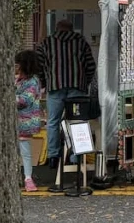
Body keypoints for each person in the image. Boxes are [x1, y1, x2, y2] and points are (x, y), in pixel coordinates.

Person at [37, 19, 96, 166]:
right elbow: (90, 65)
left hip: (55, 87)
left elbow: (39, 66)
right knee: (77, 121)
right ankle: (76, 157)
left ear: (57, 28)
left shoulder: (46, 43)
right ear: (72, 29)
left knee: (52, 122)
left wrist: (45, 82)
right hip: (77, 87)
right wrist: (84, 82)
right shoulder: (81, 42)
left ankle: (53, 157)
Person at [14, 50, 43, 192]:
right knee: (21, 151)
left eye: (18, 64)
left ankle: (28, 178)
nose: (16, 67)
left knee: (25, 151)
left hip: (24, 122)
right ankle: (24, 177)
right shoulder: (20, 80)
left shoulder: (32, 82)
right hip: (18, 121)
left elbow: (25, 100)